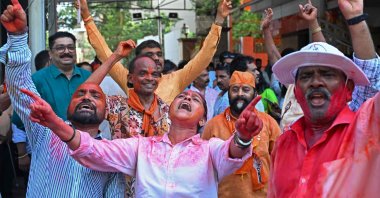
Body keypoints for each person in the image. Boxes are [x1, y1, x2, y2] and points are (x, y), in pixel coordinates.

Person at [23, 83, 267, 197]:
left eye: (195, 99)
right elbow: (93, 150)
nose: (187, 98)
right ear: (169, 109)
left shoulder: (210, 150)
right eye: (182, 95)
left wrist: (244, 136)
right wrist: (54, 122)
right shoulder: (142, 146)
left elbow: (233, 154)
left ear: (203, 119)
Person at [1, 1, 125, 196]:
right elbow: (21, 89)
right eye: (80, 94)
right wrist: (17, 38)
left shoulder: (111, 154)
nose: (86, 97)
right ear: (69, 106)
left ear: (106, 111)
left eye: (95, 95)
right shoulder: (45, 133)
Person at [269, 0, 380, 196]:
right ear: (295, 91)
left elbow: (371, 77)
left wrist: (356, 20)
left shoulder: (364, 133)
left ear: (349, 89)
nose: (315, 82)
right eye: (305, 76)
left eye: (327, 75)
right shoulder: (283, 143)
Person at [77, 0, 232, 104]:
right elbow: (104, 53)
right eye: (150, 55)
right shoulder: (130, 80)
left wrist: (218, 20)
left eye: (159, 54)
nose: (157, 59)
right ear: (136, 66)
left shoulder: (175, 79)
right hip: (135, 150)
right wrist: (86, 16)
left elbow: (203, 58)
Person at [202, 71, 280, 197]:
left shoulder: (269, 122)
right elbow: (204, 167)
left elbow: (280, 163)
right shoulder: (213, 125)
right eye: (235, 89)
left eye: (246, 89)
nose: (240, 94)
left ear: (254, 94)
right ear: (228, 93)